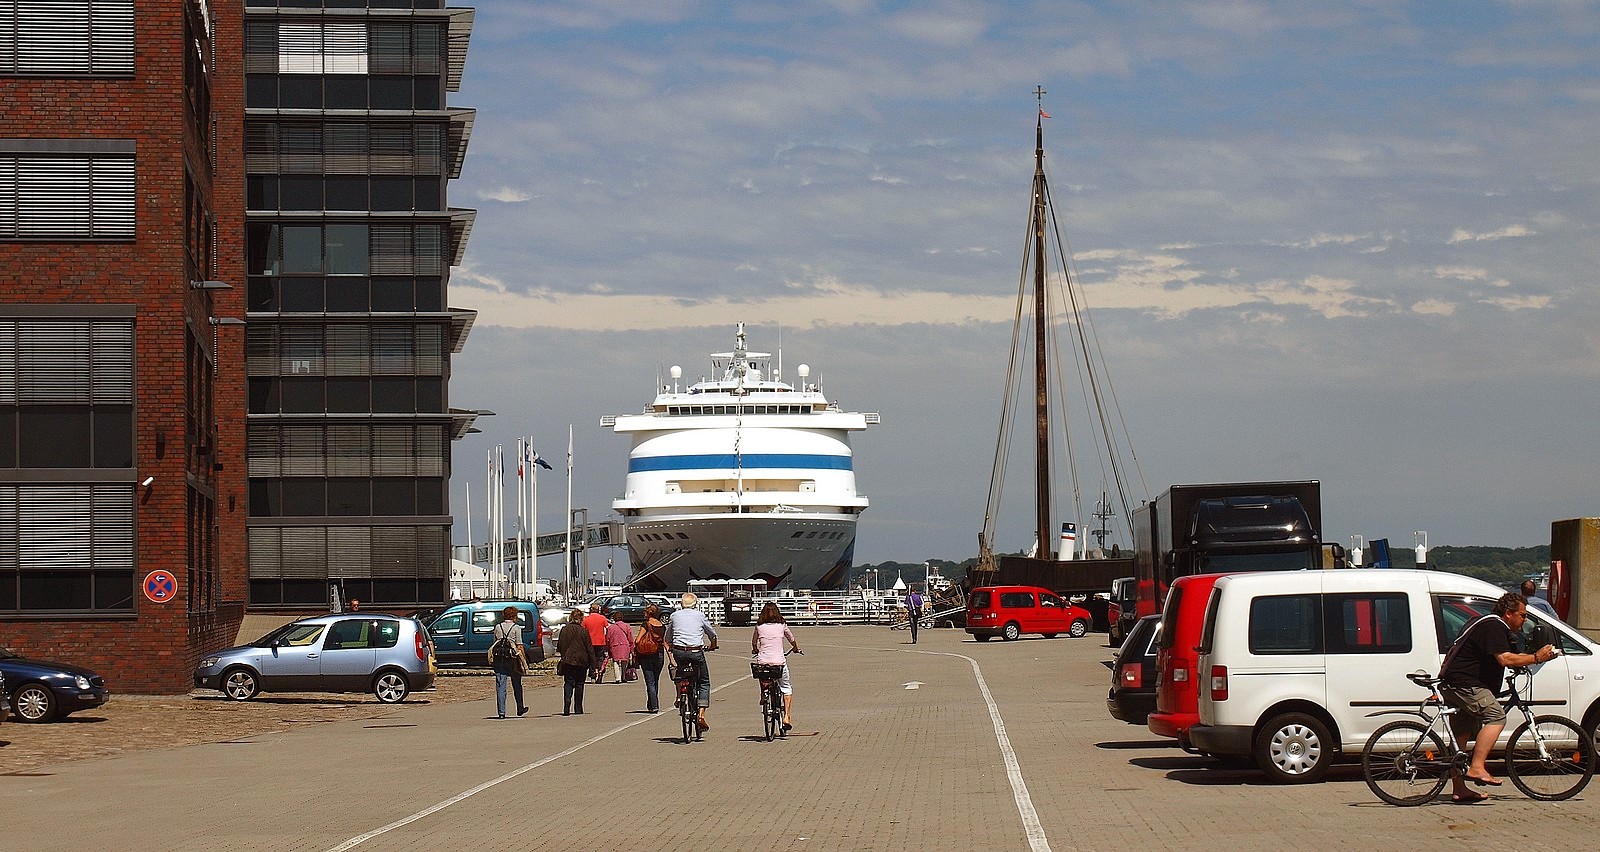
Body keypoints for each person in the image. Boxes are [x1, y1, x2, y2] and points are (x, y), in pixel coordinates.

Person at [1440, 592, 1558, 802]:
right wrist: (1536, 657)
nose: (1525, 620)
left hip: (1457, 683)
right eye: (1522, 615)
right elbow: (1504, 659)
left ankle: (1459, 789)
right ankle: (1476, 767)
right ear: (1508, 613)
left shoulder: (1491, 625)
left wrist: (1530, 660)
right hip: (1466, 684)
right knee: (1496, 716)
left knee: (1461, 736)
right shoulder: (1494, 626)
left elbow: (1512, 655)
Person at [667, 592, 718, 732]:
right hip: (696, 651)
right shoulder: (699, 616)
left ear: (681, 604)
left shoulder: (674, 616)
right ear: (695, 604)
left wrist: (671, 643)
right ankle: (701, 714)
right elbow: (711, 633)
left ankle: (680, 694)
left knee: (680, 672)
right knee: (704, 682)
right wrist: (713, 644)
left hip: (679, 651)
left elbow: (668, 635)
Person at [751, 602, 801, 730]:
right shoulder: (781, 625)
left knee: (762, 675)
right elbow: (791, 638)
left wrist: (755, 649)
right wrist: (795, 648)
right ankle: (787, 717)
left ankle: (764, 694)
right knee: (786, 687)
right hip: (779, 663)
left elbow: (754, 642)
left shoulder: (759, 626)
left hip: (763, 662)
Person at [490, 606, 528, 719]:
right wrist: (523, 660)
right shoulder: (516, 628)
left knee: (500, 685)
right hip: (512, 659)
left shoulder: (498, 627)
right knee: (517, 683)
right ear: (514, 616)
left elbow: (494, 642)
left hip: (500, 658)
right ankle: (520, 707)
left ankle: (501, 712)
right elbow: (519, 645)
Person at [556, 607, 595, 715]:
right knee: (579, 684)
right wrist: (593, 665)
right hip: (582, 661)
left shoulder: (564, 630)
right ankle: (578, 708)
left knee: (568, 682)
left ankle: (567, 703)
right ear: (581, 619)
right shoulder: (583, 631)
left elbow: (559, 646)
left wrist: (564, 654)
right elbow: (589, 648)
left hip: (568, 660)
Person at [635, 603, 668, 712]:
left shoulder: (646, 624)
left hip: (647, 654)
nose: (643, 613)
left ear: (649, 613)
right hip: (659, 654)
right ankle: (652, 704)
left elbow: (637, 640)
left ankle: (654, 706)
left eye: (645, 611)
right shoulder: (662, 626)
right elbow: (664, 642)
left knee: (650, 681)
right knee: (655, 680)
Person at [582, 603, 610, 684]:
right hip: (601, 641)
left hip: (589, 642)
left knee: (591, 659)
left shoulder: (586, 619)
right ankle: (600, 671)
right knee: (600, 658)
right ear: (598, 610)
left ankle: (592, 675)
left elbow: (582, 630)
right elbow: (607, 628)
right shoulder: (602, 618)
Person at [605, 610, 636, 683]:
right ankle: (623, 676)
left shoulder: (611, 627)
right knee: (624, 662)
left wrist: (607, 647)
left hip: (615, 646)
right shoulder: (627, 626)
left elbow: (607, 638)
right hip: (625, 646)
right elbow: (630, 638)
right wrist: (632, 648)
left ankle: (617, 678)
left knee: (615, 662)